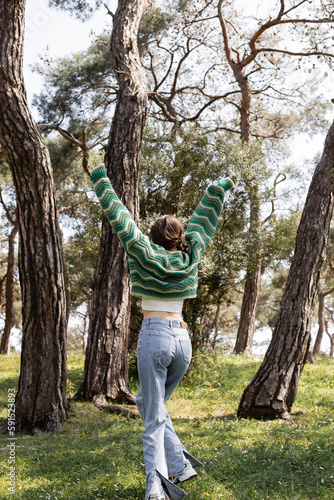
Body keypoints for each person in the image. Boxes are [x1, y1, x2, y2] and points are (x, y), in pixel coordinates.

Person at [90, 163, 234, 500]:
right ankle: (181, 466)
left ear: (152, 237)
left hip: (155, 337)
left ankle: (155, 490)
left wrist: (101, 180)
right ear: (180, 238)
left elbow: (120, 219)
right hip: (183, 342)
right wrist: (219, 189)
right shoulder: (191, 254)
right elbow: (204, 221)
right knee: (148, 404)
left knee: (152, 419)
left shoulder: (142, 251)